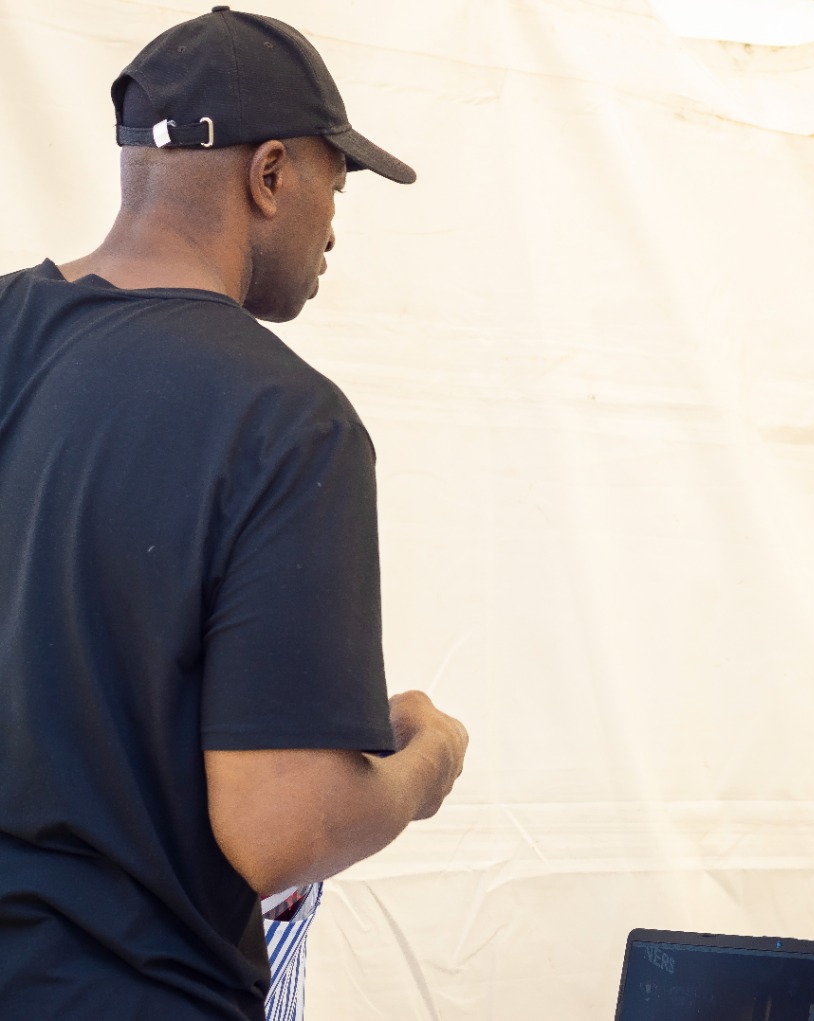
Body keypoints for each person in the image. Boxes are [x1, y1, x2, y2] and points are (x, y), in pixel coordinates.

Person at [0, 9, 469, 1021]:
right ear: (269, 176)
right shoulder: (289, 421)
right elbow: (279, 825)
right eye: (335, 186)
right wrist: (424, 764)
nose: (332, 228)